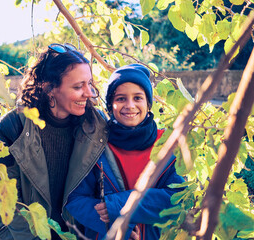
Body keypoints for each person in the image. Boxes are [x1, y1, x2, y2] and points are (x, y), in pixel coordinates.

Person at [0, 43, 108, 240]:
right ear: (49, 88)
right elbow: (8, 202)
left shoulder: (97, 126)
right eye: (78, 86)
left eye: (90, 84)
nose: (89, 93)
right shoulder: (12, 128)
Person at [65, 64, 185, 240]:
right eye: (121, 99)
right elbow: (75, 200)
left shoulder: (167, 145)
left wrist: (120, 205)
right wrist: (118, 228)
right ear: (110, 106)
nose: (130, 106)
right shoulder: (95, 145)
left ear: (148, 104)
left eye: (138, 98)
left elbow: (178, 199)